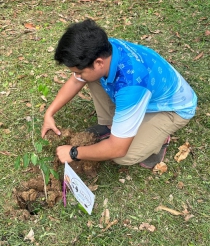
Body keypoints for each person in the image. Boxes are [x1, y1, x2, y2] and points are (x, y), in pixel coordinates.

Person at [41, 19, 197, 169]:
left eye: (79, 72)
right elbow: (76, 81)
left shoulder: (131, 86)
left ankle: (159, 139)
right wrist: (50, 113)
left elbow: (117, 149)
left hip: (172, 110)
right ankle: (113, 126)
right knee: (91, 77)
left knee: (124, 155)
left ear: (99, 63)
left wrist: (73, 152)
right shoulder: (104, 48)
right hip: (147, 93)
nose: (77, 76)